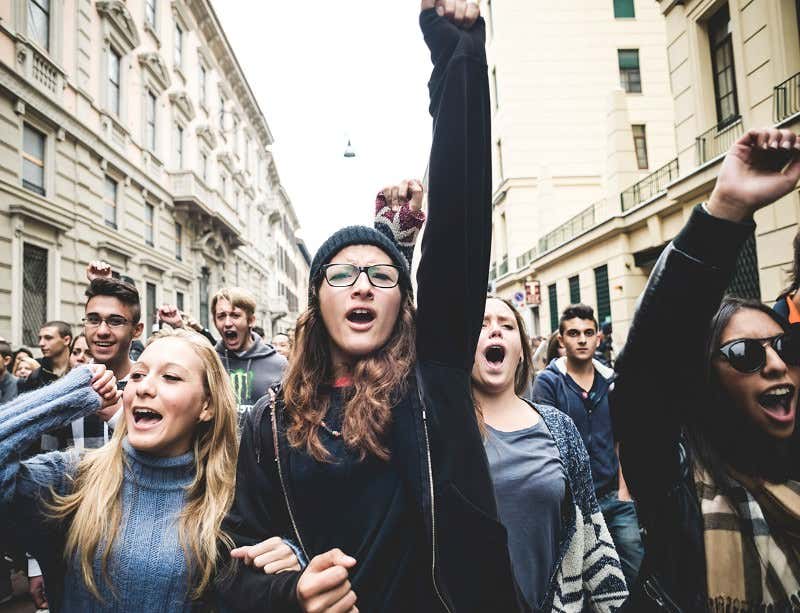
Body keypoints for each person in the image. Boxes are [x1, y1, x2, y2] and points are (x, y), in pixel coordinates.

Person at [218, 4, 521, 612]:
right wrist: (288, 590)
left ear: (403, 302)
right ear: (316, 301)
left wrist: (456, 60)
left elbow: (460, 222)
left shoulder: (430, 382)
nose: (362, 286)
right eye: (344, 274)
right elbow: (227, 567)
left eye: (382, 275)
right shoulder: (266, 426)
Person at [613, 128, 800, 610]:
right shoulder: (675, 479)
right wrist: (727, 210)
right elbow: (646, 374)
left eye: (786, 347)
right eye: (746, 354)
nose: (777, 364)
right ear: (707, 379)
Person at [0, 328, 240, 611]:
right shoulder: (74, 478)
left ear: (207, 406)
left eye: (171, 377)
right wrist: (64, 398)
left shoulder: (231, 498)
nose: (143, 387)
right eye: (137, 375)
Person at [472, 296, 627, 610]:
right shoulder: (440, 430)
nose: (495, 332)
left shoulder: (559, 427)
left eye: (507, 325)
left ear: (521, 351)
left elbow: (591, 530)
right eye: (481, 324)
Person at [532, 304, 643, 589]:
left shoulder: (611, 383)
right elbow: (546, 445)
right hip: (572, 505)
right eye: (573, 333)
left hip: (614, 498)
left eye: (588, 332)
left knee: (635, 571)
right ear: (562, 340)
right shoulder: (548, 383)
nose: (581, 339)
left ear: (598, 338)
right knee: (577, 585)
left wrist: (624, 491)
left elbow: (622, 439)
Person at [160, 292, 287, 417]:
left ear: (251, 321)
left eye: (235, 315)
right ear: (214, 322)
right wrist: (178, 325)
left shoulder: (279, 364)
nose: (227, 323)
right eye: (221, 316)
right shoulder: (208, 361)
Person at [16, 322, 72, 393]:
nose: (41, 343)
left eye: (48, 338)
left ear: (66, 340)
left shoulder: (79, 368)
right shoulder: (35, 377)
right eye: (40, 338)